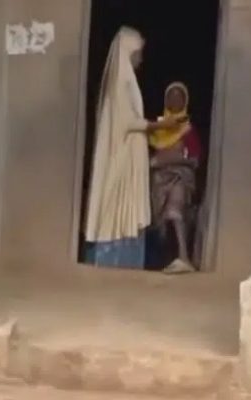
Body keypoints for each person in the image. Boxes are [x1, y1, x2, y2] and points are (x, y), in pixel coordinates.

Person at [84, 27, 185, 268]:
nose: (141, 58)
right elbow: (128, 122)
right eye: (138, 53)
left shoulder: (128, 81)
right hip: (122, 156)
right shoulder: (120, 84)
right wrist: (159, 125)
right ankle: (112, 254)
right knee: (115, 204)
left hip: (129, 155)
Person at [149, 82, 202, 274]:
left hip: (180, 177)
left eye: (179, 97)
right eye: (171, 97)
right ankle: (165, 259)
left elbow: (194, 160)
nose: (174, 100)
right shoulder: (157, 129)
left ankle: (184, 257)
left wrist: (172, 160)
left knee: (175, 212)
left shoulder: (188, 130)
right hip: (159, 180)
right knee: (162, 222)